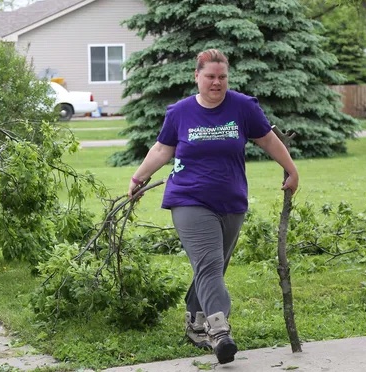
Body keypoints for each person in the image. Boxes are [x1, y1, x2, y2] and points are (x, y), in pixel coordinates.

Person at [127, 49, 298, 364]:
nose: (216, 83)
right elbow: (163, 149)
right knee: (208, 264)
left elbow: (269, 140)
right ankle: (219, 332)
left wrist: (291, 169)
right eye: (210, 77)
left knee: (213, 268)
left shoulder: (243, 107)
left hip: (231, 200)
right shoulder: (180, 112)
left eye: (222, 77)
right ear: (197, 77)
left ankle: (195, 321)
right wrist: (138, 178)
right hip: (189, 198)